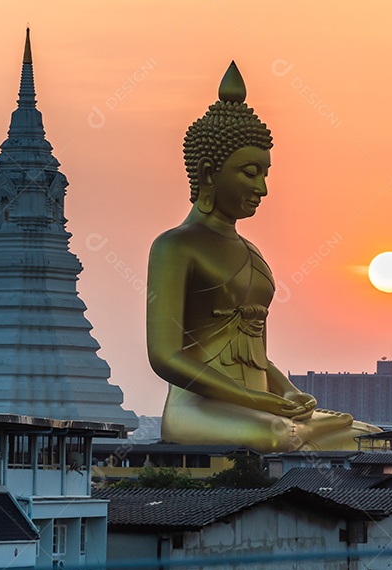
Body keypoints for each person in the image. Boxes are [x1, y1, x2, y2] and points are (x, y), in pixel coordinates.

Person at [146, 62, 378, 452]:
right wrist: (257, 401)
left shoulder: (251, 253)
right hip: (200, 408)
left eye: (265, 174)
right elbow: (166, 356)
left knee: (371, 438)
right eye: (250, 173)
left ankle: (295, 428)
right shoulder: (174, 246)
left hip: (263, 407)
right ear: (207, 173)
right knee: (279, 434)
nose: (263, 188)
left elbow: (258, 356)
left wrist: (288, 393)